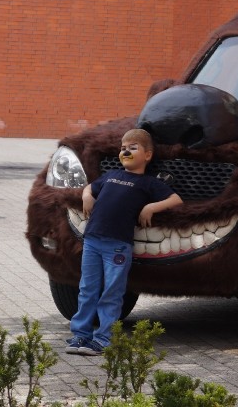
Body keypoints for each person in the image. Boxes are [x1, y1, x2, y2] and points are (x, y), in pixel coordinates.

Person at [66, 128, 183, 355]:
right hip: (92, 240)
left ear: (147, 155)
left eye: (132, 147)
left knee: (112, 292)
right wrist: (87, 196)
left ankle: (103, 340)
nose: (125, 151)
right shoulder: (111, 175)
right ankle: (80, 335)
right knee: (87, 289)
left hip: (117, 246)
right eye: (122, 148)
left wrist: (151, 206)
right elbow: (91, 186)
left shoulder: (148, 183)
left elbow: (175, 199)